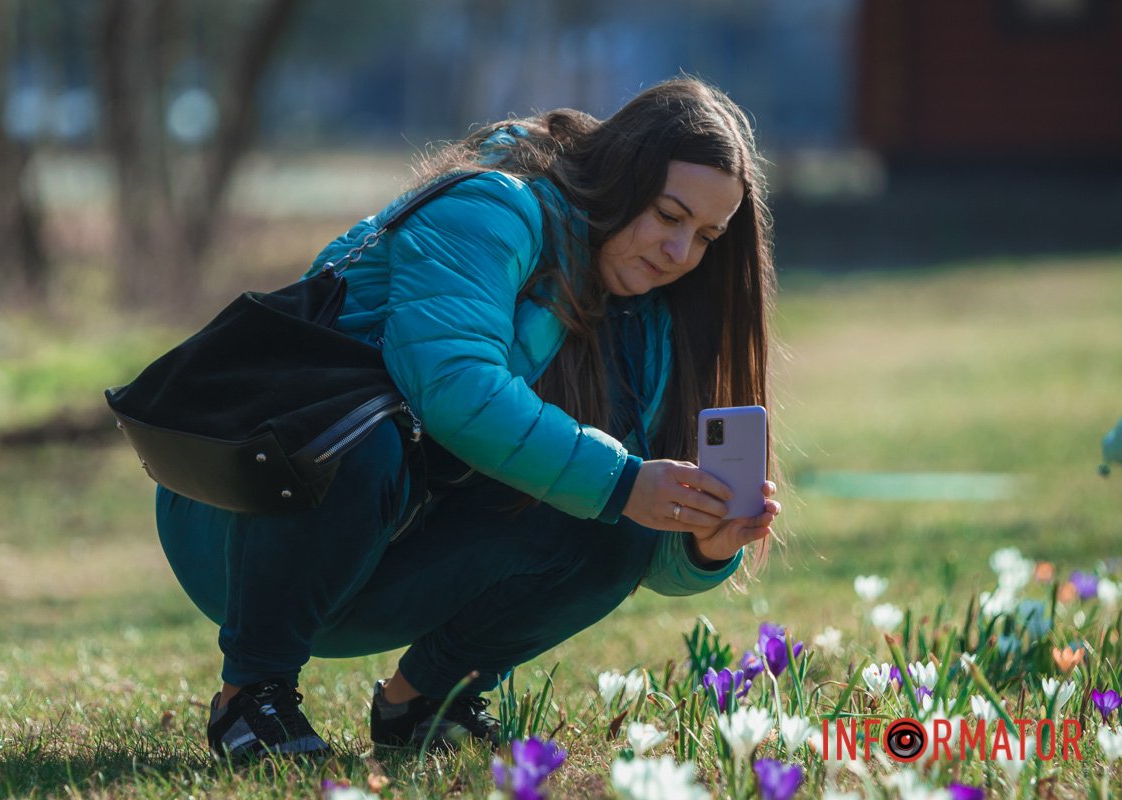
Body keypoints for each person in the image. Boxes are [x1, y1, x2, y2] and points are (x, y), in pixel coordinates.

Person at [155, 75, 783, 763]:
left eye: (705, 236)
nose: (680, 253)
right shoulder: (490, 208)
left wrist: (705, 541)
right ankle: (252, 696)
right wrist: (627, 483)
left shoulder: (651, 317)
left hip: (396, 545)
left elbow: (631, 529)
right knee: (370, 444)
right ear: (620, 175)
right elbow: (453, 387)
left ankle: (427, 701)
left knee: (611, 522)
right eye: (669, 215)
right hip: (247, 515)